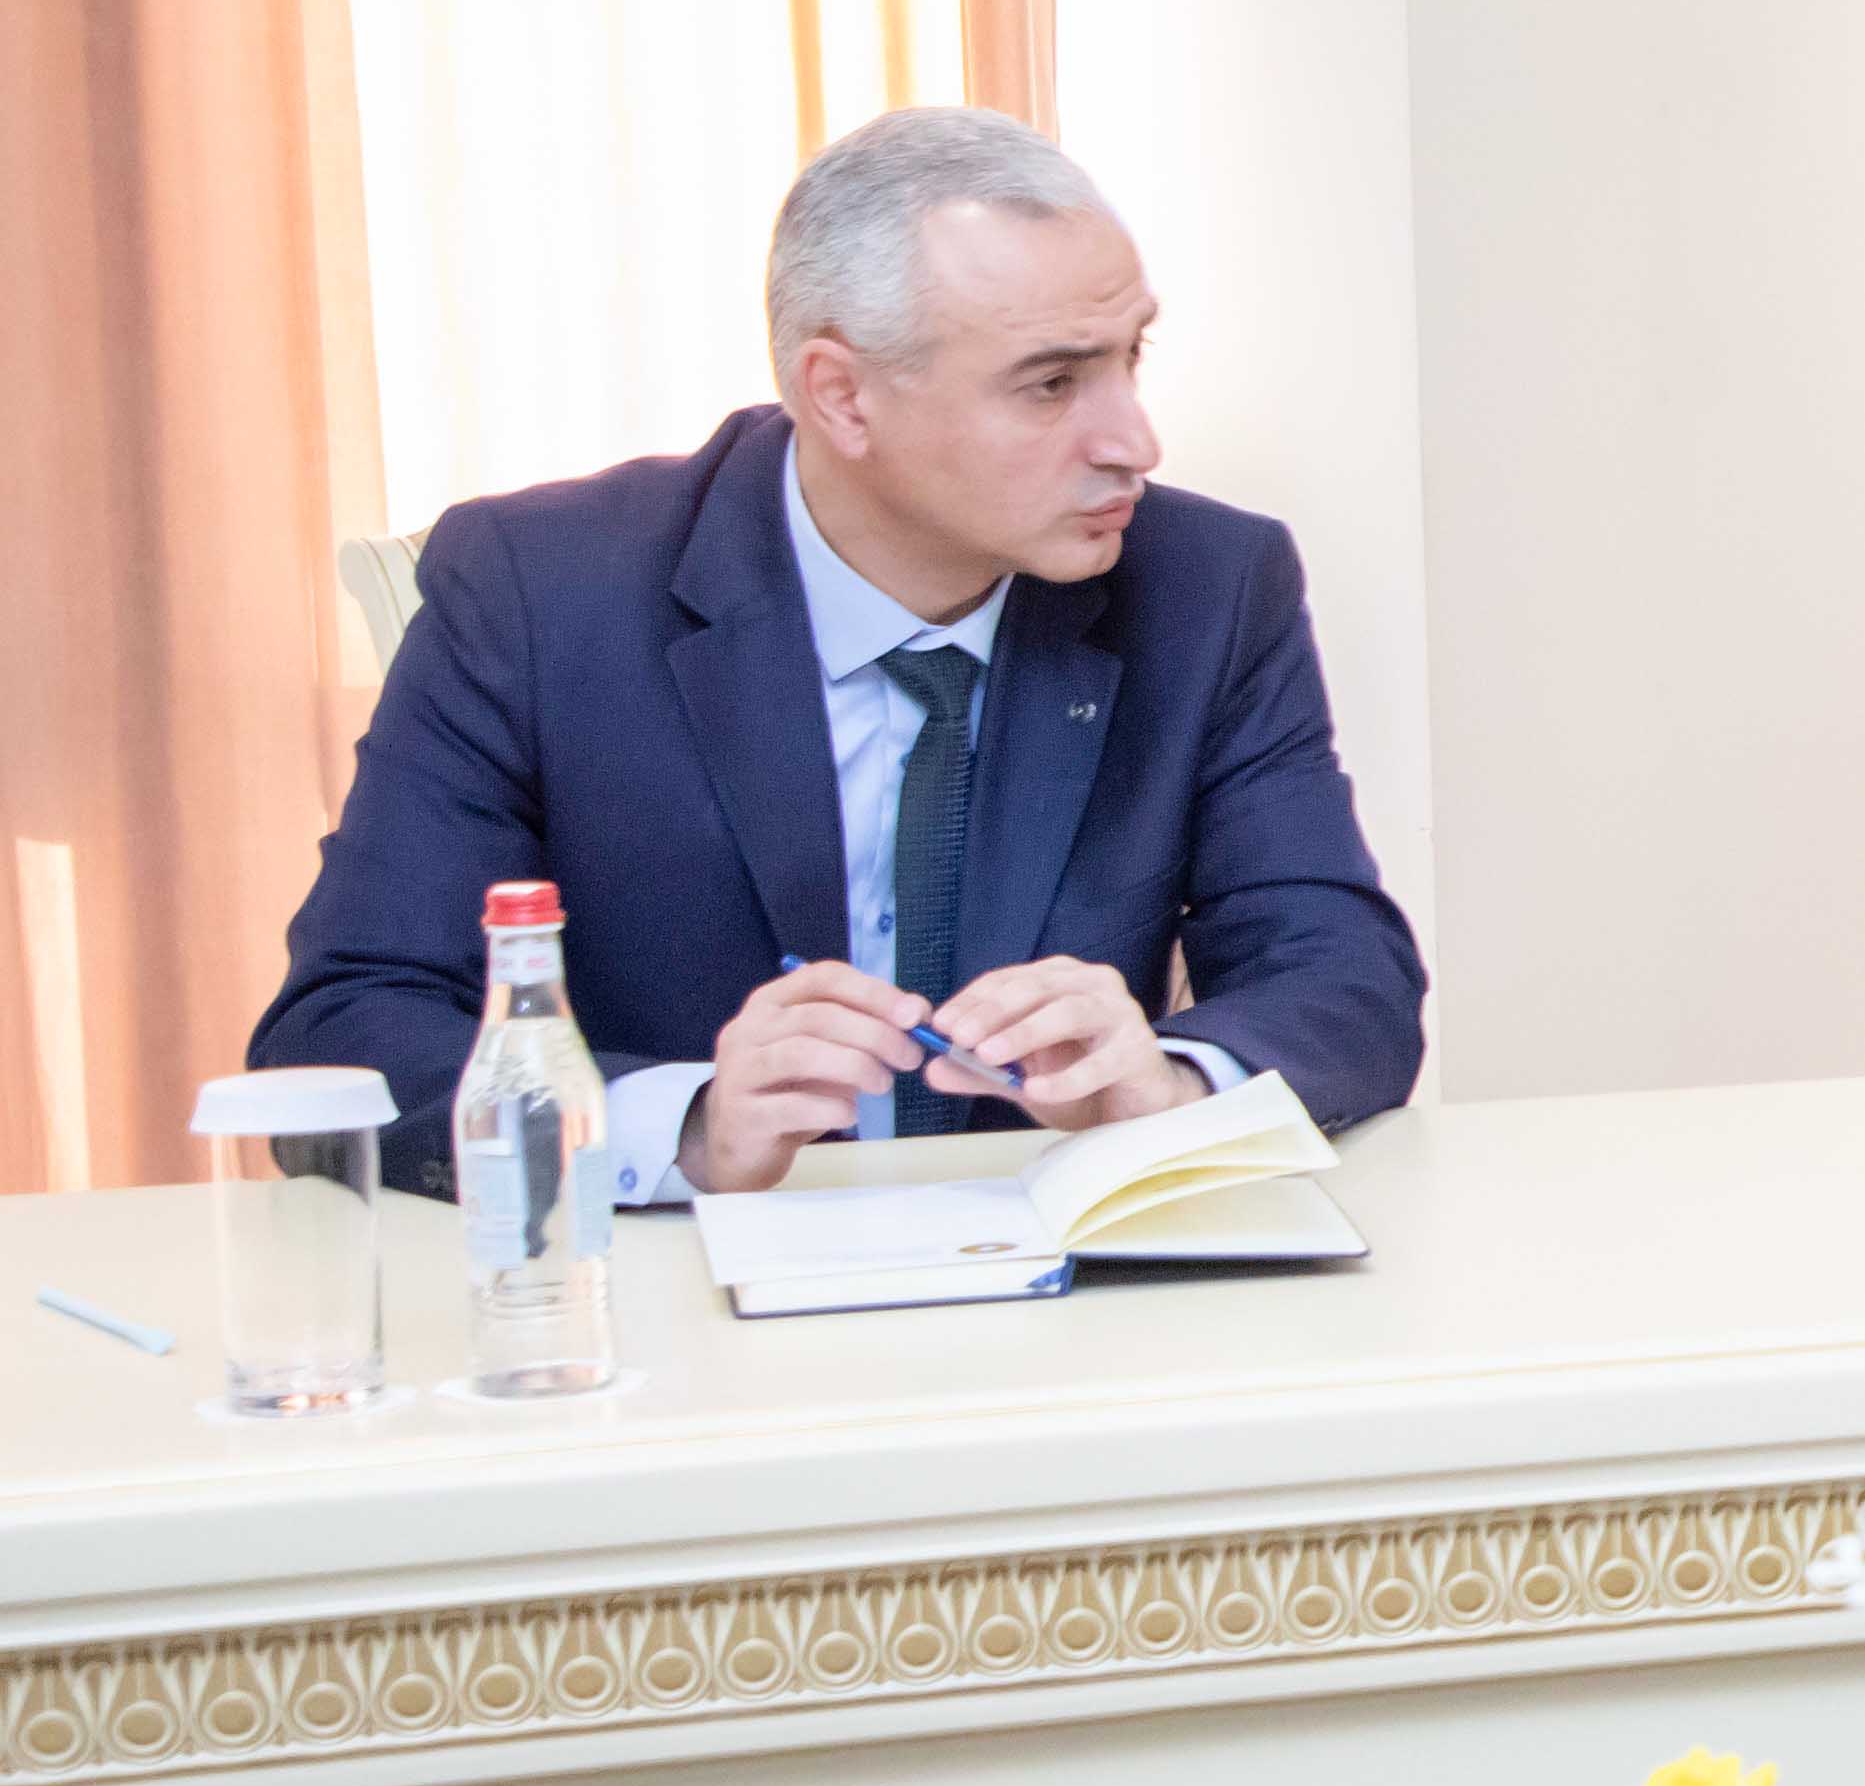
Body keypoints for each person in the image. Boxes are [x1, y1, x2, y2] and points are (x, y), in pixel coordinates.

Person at [257, 107, 1428, 1192]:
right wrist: (688, 1125)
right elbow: (344, 1032)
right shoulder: (540, 591)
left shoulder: (1209, 586)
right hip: (677, 1300)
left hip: (1060, 1295)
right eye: (1053, 383)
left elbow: (1344, 978)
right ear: (843, 396)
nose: (1135, 438)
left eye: (1132, 358)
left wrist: (1165, 1085)